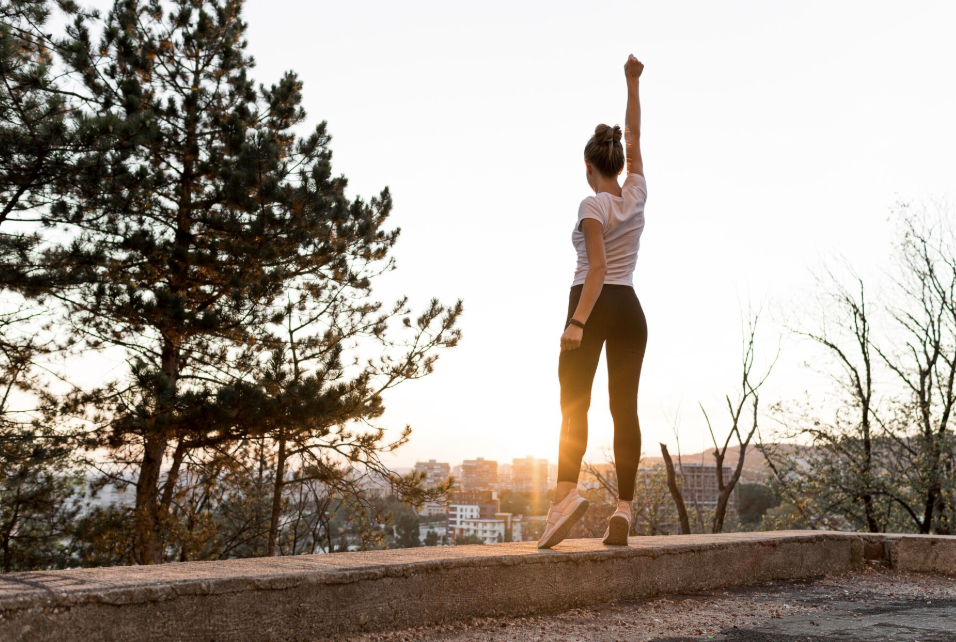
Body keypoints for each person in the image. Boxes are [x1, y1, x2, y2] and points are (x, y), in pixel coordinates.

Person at [538, 54, 648, 549]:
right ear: (621, 164)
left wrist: (577, 322)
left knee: (572, 407)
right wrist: (631, 82)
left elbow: (597, 269)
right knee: (623, 409)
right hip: (631, 310)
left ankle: (564, 500)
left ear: (588, 167)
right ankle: (623, 510)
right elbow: (635, 135)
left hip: (593, 302)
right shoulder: (637, 193)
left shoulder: (591, 204)